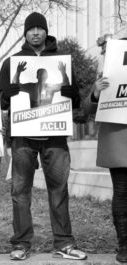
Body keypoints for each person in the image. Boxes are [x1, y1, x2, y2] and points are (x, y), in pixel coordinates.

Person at [0, 12, 86, 260]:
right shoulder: (12, 62)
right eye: (30, 29)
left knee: (58, 189)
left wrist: (68, 86)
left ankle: (64, 243)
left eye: (39, 28)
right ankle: (21, 244)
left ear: (46, 31)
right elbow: (0, 100)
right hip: (23, 137)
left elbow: (75, 98)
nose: (35, 32)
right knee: (20, 192)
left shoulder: (60, 60)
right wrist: (11, 88)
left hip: (54, 137)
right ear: (24, 33)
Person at [83, 39, 127, 264]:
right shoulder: (105, 77)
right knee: (121, 193)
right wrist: (96, 92)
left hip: (117, 142)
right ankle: (124, 245)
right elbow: (87, 109)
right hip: (117, 143)